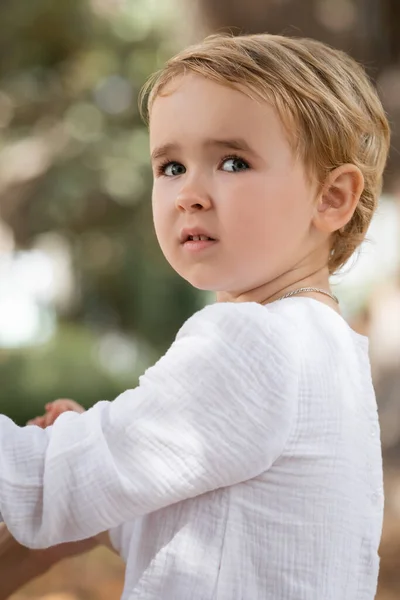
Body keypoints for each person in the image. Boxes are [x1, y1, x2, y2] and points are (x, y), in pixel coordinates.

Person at [0, 32, 390, 600]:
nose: (190, 194)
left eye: (233, 162)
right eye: (171, 167)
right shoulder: (327, 351)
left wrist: (80, 456)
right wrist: (103, 456)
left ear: (330, 198)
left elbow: (50, 482)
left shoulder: (254, 342)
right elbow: (202, 531)